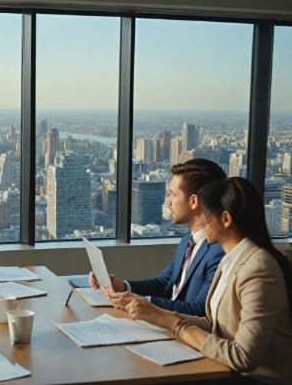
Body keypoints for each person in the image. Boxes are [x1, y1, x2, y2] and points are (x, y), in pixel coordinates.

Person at [111, 177, 292, 383]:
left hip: (257, 378)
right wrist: (154, 314)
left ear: (225, 219)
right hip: (225, 369)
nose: (199, 220)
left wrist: (172, 323)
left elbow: (244, 358)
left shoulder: (259, 269)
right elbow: (213, 324)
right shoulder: (232, 259)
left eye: (204, 213)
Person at [89, 158, 226, 315]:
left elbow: (198, 310)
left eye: (172, 194)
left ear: (193, 201)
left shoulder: (219, 251)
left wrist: (140, 303)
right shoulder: (188, 240)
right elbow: (164, 283)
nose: (168, 202)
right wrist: (124, 287)